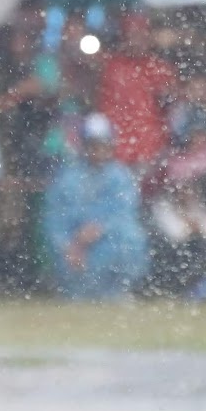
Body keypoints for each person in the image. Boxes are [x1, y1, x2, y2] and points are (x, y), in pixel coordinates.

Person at [39, 115, 149, 299]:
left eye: (103, 144)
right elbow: (55, 219)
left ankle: (117, 292)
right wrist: (69, 246)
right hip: (75, 248)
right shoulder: (67, 178)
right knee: (73, 271)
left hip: (108, 241)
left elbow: (124, 213)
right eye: (93, 144)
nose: (98, 150)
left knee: (131, 238)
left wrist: (99, 229)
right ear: (84, 146)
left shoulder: (120, 176)